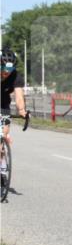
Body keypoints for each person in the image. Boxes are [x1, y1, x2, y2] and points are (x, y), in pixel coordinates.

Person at [1, 49, 29, 178]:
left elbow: (18, 96)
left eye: (10, 69)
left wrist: (22, 111)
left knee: (3, 134)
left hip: (3, 104)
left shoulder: (16, 76)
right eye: (4, 68)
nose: (7, 72)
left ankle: (1, 170)